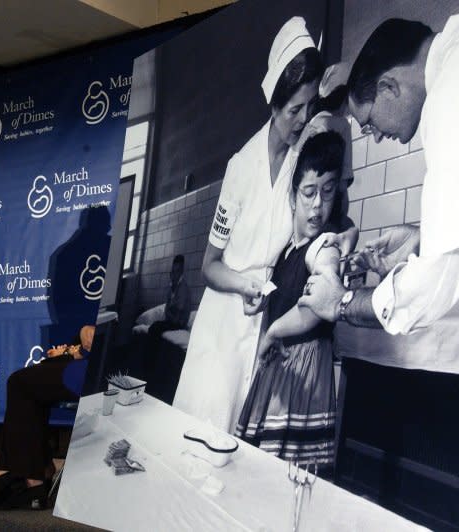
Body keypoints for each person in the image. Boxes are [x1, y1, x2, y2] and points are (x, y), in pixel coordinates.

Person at [298, 5, 459, 333]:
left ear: (388, 88)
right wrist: (424, 240)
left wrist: (341, 301)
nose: (378, 137)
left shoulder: (452, 97)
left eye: (368, 124)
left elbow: (433, 286)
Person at [172, 16, 326, 432]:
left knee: (239, 439)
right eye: (295, 109)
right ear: (274, 105)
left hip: (262, 319)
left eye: (310, 106)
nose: (303, 118)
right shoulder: (241, 167)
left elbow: (304, 229)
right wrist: (245, 284)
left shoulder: (299, 158)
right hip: (224, 320)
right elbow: (210, 266)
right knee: (204, 430)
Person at [235, 131, 349, 473]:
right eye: (309, 193)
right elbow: (287, 292)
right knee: (264, 473)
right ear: (293, 197)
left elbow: (314, 307)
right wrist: (261, 296)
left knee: (288, 480)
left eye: (327, 192)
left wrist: (272, 334)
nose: (318, 205)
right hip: (279, 370)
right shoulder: (287, 251)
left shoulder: (324, 246)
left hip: (304, 373)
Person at [0, 325, 96, 512]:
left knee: (21, 383)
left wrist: (84, 335)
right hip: (93, 359)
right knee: (31, 378)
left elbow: (95, 335)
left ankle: (26, 477)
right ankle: (37, 474)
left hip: (102, 367)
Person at [140, 255, 191, 383]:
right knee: (155, 326)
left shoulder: (182, 287)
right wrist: (171, 308)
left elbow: (178, 309)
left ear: (181, 272)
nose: (173, 274)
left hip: (178, 323)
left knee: (156, 327)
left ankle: (148, 366)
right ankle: (148, 363)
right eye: (172, 271)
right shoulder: (172, 288)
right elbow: (168, 309)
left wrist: (171, 308)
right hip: (172, 321)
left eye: (177, 271)